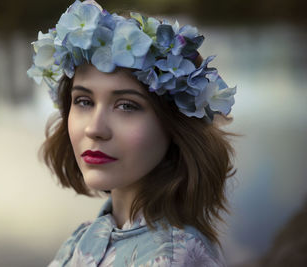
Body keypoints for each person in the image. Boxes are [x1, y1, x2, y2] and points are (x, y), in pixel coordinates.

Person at [27, 0, 237, 266]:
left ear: (174, 125)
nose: (94, 128)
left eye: (126, 106)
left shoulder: (173, 257)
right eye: (84, 101)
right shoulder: (86, 236)